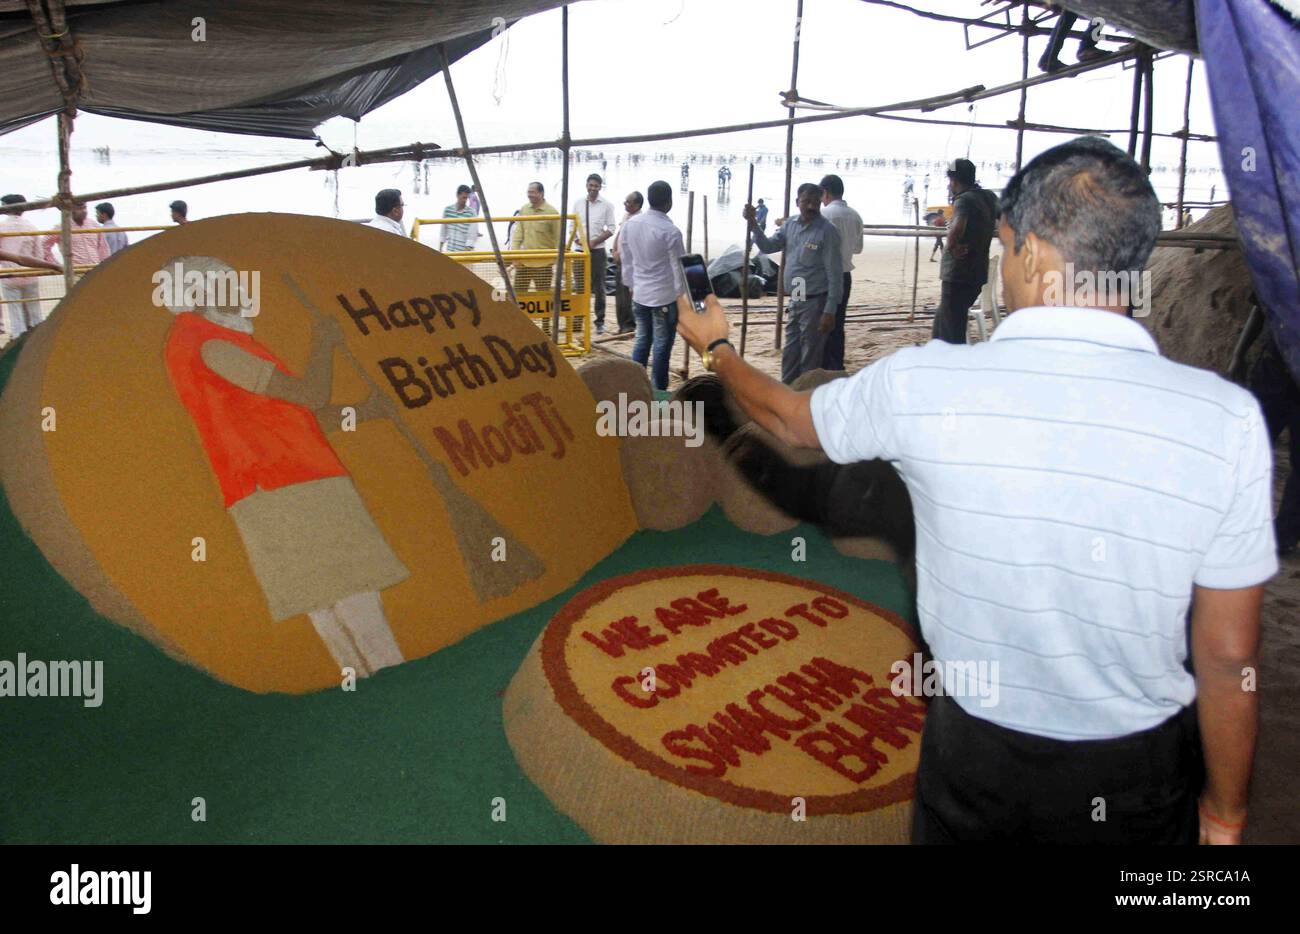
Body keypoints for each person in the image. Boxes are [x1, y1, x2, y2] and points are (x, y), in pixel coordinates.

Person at [677, 135, 1275, 845]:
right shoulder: (1228, 420)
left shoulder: (926, 383)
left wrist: (717, 348)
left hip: (977, 759)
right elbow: (1231, 655)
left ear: (1028, 251)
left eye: (1003, 243)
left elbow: (787, 418)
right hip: (1139, 771)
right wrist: (1225, 813)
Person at [161, 255, 409, 676]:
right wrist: (324, 342)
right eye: (226, 284)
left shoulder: (213, 341)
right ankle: (392, 678)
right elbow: (309, 396)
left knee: (325, 596)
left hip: (272, 483)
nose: (240, 292)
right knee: (349, 587)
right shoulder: (209, 344)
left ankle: (364, 683)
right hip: (287, 482)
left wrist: (364, 411)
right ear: (200, 295)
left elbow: (288, 417)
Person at [744, 183, 843, 384]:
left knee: (810, 356)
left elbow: (835, 274)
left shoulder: (827, 231)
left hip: (816, 301)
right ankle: (787, 393)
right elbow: (768, 245)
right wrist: (753, 222)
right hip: (796, 298)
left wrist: (830, 310)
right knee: (791, 351)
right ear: (798, 202)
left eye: (815, 202)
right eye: (806, 201)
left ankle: (804, 399)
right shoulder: (790, 225)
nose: (811, 206)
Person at [618, 180, 685, 391]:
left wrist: (630, 284)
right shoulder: (670, 231)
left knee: (642, 339)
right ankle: (658, 391)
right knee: (661, 347)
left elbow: (626, 258)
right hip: (663, 297)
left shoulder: (631, 224)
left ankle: (634, 385)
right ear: (669, 202)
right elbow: (679, 268)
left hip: (639, 293)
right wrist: (681, 296)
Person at [933, 157, 998, 344]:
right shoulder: (989, 197)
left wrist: (952, 248)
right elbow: (1006, 220)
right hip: (977, 273)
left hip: (958, 274)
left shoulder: (963, 200)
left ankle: (952, 363)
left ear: (954, 181)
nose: (949, 185)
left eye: (950, 181)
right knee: (944, 320)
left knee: (953, 327)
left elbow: (957, 227)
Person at [819, 175, 864, 370]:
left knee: (821, 321)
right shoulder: (855, 216)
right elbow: (857, 249)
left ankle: (823, 363)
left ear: (825, 193)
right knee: (838, 322)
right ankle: (836, 364)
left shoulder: (823, 215)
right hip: (845, 275)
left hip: (824, 276)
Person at [0, 193, 54, 337]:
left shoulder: (2, 227)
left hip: (9, 276)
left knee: (15, 314)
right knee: (35, 313)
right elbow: (39, 253)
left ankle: (19, 343)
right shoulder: (32, 227)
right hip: (31, 275)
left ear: (6, 207)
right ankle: (38, 340)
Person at [572, 173, 616, 335]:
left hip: (597, 251)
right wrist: (577, 239)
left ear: (600, 187)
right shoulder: (578, 203)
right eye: (591, 185)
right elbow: (572, 224)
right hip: (579, 251)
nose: (593, 189)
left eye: (596, 186)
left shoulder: (606, 205)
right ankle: (577, 320)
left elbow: (611, 228)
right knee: (579, 287)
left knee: (599, 288)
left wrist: (594, 242)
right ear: (586, 185)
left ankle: (599, 322)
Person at [510, 181, 560, 293]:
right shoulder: (524, 209)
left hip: (544, 263)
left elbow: (558, 237)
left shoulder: (552, 212)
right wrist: (515, 254)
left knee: (543, 296)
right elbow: (518, 234)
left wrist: (559, 261)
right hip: (525, 262)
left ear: (541, 193)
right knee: (518, 294)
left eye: (532, 192)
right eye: (528, 192)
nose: (529, 195)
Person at [42, 201, 110, 272]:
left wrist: (104, 267)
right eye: (79, 208)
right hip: (75, 272)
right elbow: (43, 246)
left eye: (85, 208)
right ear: (71, 210)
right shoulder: (62, 227)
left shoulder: (94, 225)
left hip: (95, 271)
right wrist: (55, 265)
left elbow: (103, 248)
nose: (84, 211)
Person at [610, 191, 643, 336]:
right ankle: (622, 324)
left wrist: (621, 255)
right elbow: (619, 233)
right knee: (620, 294)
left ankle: (629, 325)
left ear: (637, 205)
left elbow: (634, 244)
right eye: (625, 201)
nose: (625, 204)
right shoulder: (626, 216)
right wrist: (614, 250)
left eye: (629, 202)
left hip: (629, 263)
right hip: (619, 259)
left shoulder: (639, 220)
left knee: (628, 294)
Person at [439, 185, 479, 252]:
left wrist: (467, 250)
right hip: (450, 251)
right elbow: (443, 230)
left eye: (467, 198)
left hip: (463, 252)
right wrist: (440, 246)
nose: (465, 200)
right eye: (463, 198)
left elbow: (472, 233)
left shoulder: (471, 213)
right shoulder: (448, 210)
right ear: (457, 195)